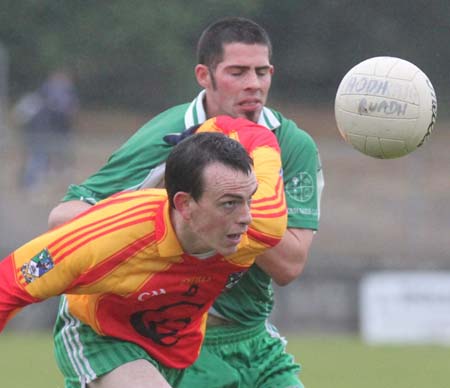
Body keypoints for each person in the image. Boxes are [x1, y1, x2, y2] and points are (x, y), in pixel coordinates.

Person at [48, 17, 324, 388]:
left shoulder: (291, 146)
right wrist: (152, 229)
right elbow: (65, 217)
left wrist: (228, 205)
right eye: (237, 72)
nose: (253, 85)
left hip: (249, 340)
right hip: (156, 336)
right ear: (203, 75)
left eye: (262, 72)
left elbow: (290, 264)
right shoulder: (170, 136)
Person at [0, 116, 287, 388]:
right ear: (185, 205)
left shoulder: (262, 222)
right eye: (229, 204)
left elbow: (258, 136)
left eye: (249, 199)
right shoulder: (112, 235)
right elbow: (8, 283)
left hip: (175, 348)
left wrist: (207, 130)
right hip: (101, 335)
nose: (246, 216)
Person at [14, 70, 78, 189]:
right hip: (40, 134)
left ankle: (31, 182)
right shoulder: (48, 98)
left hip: (44, 133)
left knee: (41, 158)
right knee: (38, 159)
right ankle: (29, 183)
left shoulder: (43, 97)